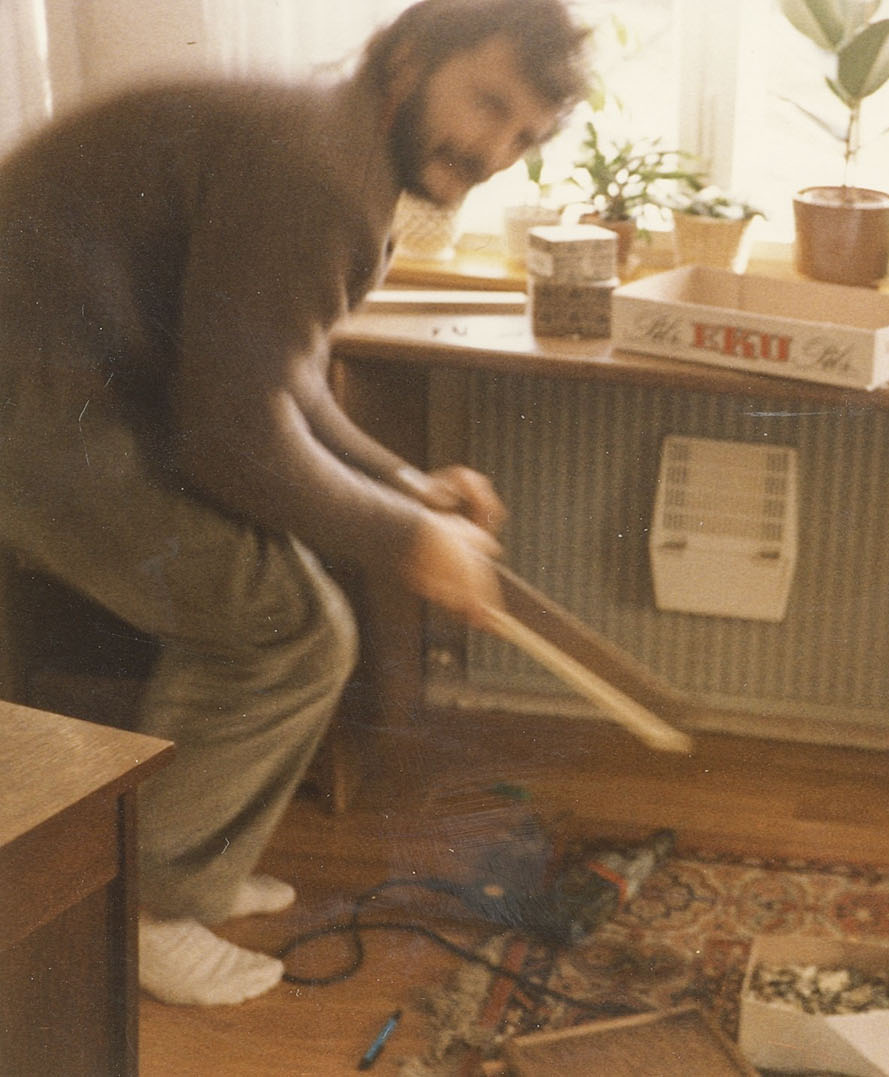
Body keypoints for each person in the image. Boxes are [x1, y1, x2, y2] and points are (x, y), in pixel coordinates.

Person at [0, 0, 589, 1006]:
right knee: (291, 629)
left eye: (525, 135)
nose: (496, 148)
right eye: (487, 102)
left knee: (295, 616)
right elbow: (234, 438)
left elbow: (282, 378)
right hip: (38, 416)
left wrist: (405, 488)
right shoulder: (321, 170)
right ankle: (151, 909)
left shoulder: (340, 149)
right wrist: (404, 534)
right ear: (407, 59)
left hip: (79, 398)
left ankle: (193, 876)